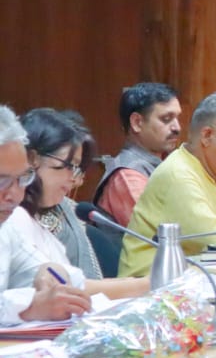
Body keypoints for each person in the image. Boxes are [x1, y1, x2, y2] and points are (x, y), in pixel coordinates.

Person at [120, 92, 216, 277]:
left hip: (194, 280)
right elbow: (212, 237)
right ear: (207, 135)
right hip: (151, 286)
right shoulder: (178, 174)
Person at [8, 109, 148, 300]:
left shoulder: (52, 213)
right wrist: (148, 284)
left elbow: (65, 279)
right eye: (67, 166)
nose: (74, 179)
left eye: (77, 169)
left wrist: (145, 283)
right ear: (32, 159)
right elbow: (67, 288)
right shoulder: (13, 216)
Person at [0, 105, 93, 323]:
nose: (15, 195)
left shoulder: (5, 226)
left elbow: (40, 268)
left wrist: (49, 271)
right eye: (2, 181)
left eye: (22, 179)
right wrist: (29, 308)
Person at [93, 83, 181, 226]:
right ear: (137, 123)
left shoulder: (164, 164)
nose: (177, 127)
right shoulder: (127, 177)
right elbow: (156, 232)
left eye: (177, 118)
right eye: (166, 119)